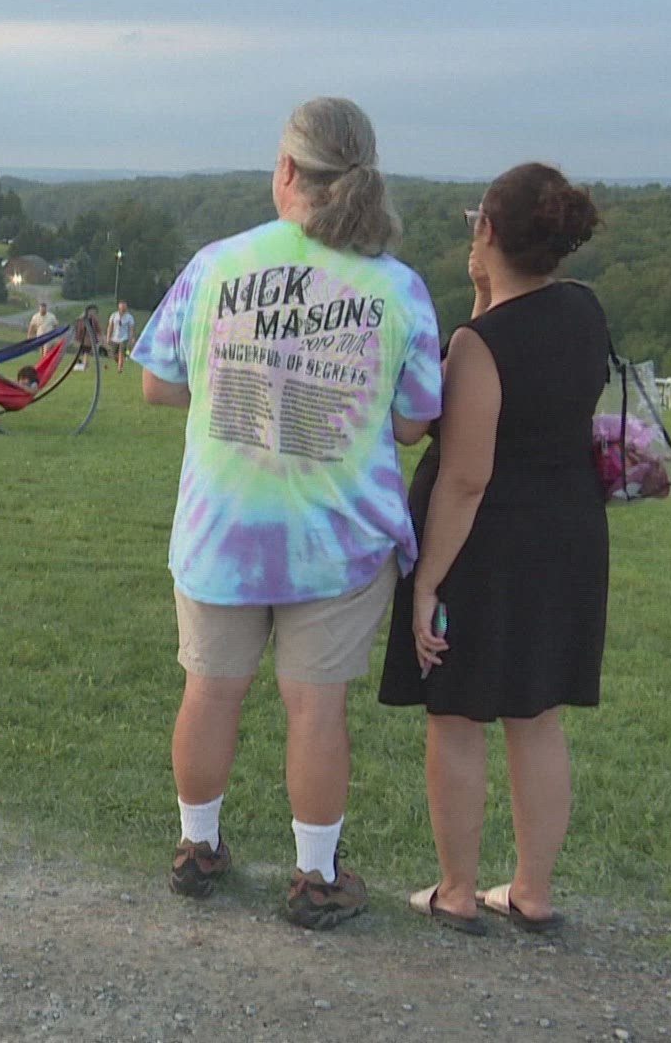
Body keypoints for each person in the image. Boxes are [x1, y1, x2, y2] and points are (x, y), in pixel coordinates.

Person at [131, 97, 443, 930]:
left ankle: (198, 848)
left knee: (210, 691)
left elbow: (157, 382)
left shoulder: (217, 265)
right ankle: (314, 875)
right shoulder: (398, 289)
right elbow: (414, 421)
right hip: (337, 540)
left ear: (285, 172)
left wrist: (238, 381)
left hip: (224, 529)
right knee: (316, 708)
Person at [380, 164, 607, 937]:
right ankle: (532, 892)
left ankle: (456, 890)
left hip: (489, 548)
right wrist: (482, 297)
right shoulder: (583, 309)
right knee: (537, 714)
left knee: (457, 713)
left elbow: (467, 476)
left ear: (486, 231)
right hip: (568, 536)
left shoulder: (479, 346)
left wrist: (426, 584)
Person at [107, 301, 137, 372]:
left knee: (121, 352)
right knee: (113, 355)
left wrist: (132, 338)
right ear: (119, 308)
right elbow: (110, 327)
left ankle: (120, 369)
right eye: (122, 307)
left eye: (124, 308)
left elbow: (132, 328)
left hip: (124, 338)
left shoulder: (129, 317)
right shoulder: (114, 315)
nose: (123, 309)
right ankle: (122, 361)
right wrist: (108, 337)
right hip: (114, 338)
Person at [71, 304, 100, 370]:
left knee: (85, 352)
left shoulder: (90, 319)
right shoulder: (86, 319)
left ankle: (84, 366)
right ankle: (84, 366)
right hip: (85, 338)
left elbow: (97, 329)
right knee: (85, 352)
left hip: (85, 338)